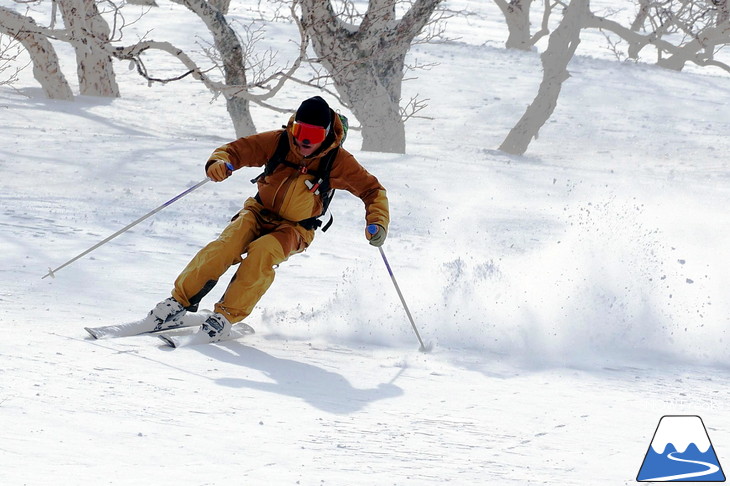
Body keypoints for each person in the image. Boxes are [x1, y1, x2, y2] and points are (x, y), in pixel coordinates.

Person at [140, 96, 390, 343]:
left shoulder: (338, 162)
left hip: (295, 229)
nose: (303, 140)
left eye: (312, 135)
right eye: (300, 130)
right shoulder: (278, 142)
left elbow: (373, 191)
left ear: (325, 134)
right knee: (226, 245)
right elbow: (234, 151)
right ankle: (178, 303)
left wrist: (377, 222)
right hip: (258, 212)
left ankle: (224, 318)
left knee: (263, 251)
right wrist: (220, 162)